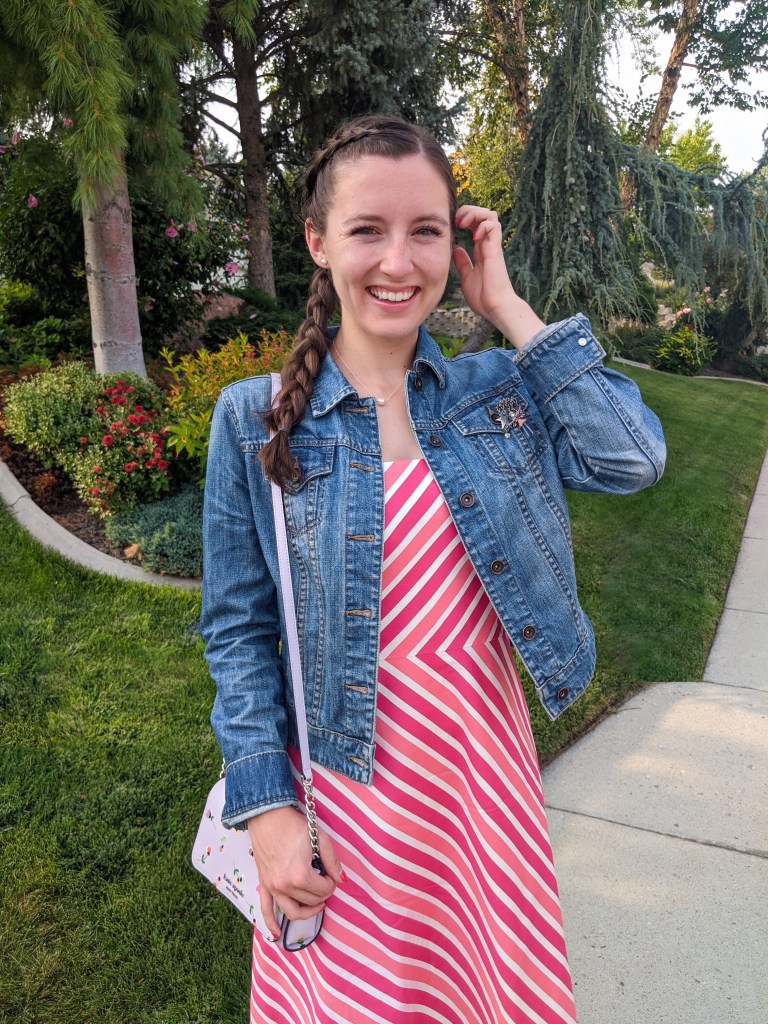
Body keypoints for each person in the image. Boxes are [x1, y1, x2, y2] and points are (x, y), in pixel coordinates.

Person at [200, 113, 666, 1024]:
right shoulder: (252, 421)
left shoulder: (498, 392)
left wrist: (506, 307)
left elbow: (632, 459)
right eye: (368, 229)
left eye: (426, 230)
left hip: (479, 785)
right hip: (347, 797)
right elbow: (239, 630)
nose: (398, 262)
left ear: (457, 243)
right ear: (317, 242)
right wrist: (267, 809)